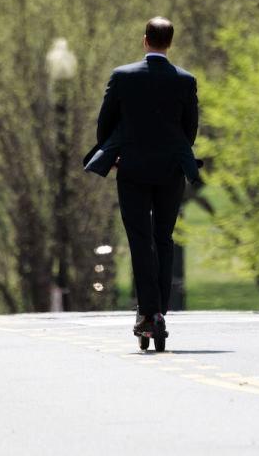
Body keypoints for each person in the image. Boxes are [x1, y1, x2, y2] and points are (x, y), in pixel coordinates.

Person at [85, 17, 199, 341]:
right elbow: (189, 131)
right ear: (169, 42)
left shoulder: (122, 77)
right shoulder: (185, 81)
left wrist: (116, 155)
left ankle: (147, 312)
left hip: (132, 169)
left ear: (145, 39)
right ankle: (160, 310)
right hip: (170, 171)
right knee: (163, 238)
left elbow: (104, 126)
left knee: (140, 239)